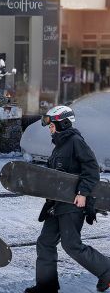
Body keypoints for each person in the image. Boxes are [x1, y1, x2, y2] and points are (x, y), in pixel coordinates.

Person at [28, 105, 110, 293]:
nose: (50, 129)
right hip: (56, 204)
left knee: (71, 245)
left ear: (63, 124)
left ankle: (107, 270)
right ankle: (46, 286)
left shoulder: (75, 142)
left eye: (52, 125)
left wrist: (82, 193)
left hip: (73, 204)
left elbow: (92, 170)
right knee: (45, 242)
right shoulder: (59, 146)